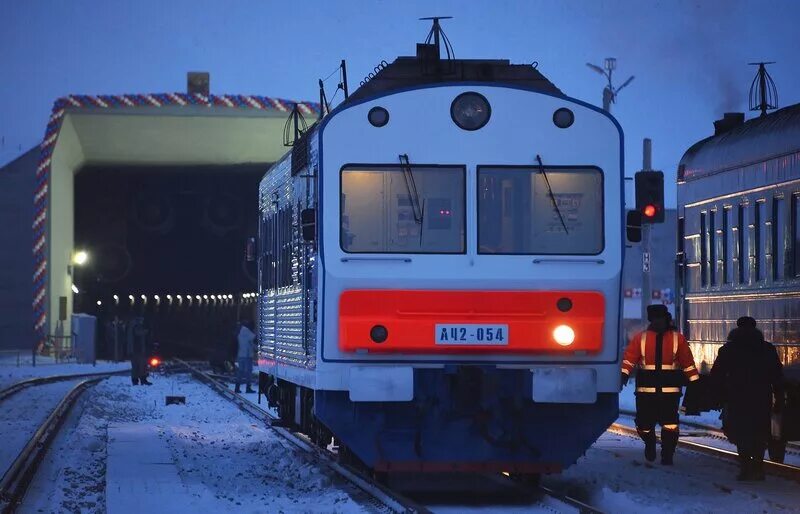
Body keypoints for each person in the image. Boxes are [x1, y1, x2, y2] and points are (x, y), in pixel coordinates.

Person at [621, 305, 699, 464]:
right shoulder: (641, 338)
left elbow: (688, 363)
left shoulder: (677, 339)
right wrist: (624, 374)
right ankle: (650, 443)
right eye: (655, 318)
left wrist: (695, 382)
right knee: (644, 424)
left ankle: (667, 454)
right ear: (651, 320)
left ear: (666, 318)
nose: (658, 321)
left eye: (660, 318)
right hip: (646, 391)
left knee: (670, 424)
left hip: (669, 392)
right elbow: (629, 359)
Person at [710, 316, 784, 481]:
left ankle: (745, 466)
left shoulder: (728, 350)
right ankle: (758, 466)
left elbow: (717, 375)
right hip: (761, 397)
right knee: (759, 432)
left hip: (736, 397)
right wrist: (779, 398)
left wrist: (718, 396)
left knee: (740, 432)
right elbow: (777, 376)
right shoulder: (767, 349)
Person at [127, 316, 151, 385]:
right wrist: (146, 331)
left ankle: (136, 380)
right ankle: (142, 379)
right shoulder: (136, 325)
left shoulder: (132, 325)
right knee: (141, 365)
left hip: (134, 349)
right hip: (137, 349)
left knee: (136, 366)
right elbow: (138, 333)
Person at [235, 320, 256, 394]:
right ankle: (248, 388)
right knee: (248, 372)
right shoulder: (248, 332)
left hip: (240, 355)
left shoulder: (240, 332)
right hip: (247, 355)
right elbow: (254, 339)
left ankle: (237, 388)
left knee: (240, 372)